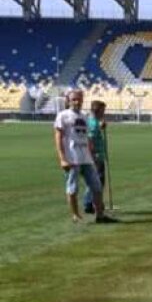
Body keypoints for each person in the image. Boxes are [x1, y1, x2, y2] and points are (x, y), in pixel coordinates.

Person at [54, 88, 113, 224]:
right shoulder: (63, 115)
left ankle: (100, 215)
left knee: (97, 186)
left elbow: (87, 138)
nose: (77, 102)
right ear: (69, 100)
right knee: (73, 187)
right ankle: (76, 215)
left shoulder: (84, 116)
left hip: (86, 158)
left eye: (79, 99)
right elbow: (58, 137)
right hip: (72, 158)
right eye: (74, 99)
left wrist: (92, 154)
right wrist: (62, 159)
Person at [84, 99, 108, 215]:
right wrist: (93, 156)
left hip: (97, 155)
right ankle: (92, 203)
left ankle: (90, 203)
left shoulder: (92, 121)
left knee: (95, 180)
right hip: (96, 156)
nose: (104, 113)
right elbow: (90, 141)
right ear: (97, 111)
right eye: (103, 111)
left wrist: (101, 127)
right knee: (98, 181)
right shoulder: (93, 124)